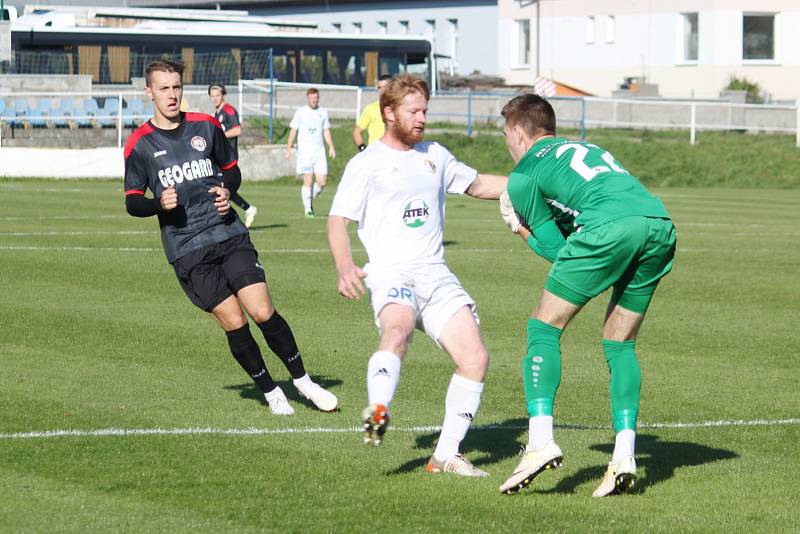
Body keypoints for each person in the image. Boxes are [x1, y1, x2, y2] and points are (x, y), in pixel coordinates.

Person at [124, 60, 337, 416]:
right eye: (164, 88)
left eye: (177, 87)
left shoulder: (206, 126)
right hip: (188, 248)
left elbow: (231, 171)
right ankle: (271, 392)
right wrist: (157, 203)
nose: (172, 95)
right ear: (149, 92)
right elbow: (132, 201)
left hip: (228, 233)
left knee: (262, 310)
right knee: (235, 322)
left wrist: (226, 189)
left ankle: (303, 382)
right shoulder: (139, 144)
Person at [495, 93, 676, 497]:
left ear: (520, 134)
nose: (507, 144)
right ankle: (624, 456)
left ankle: (540, 440)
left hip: (611, 229)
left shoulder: (524, 174)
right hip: (659, 224)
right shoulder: (589, 146)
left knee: (543, 327)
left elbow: (557, 252)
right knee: (619, 342)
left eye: (506, 135)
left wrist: (518, 226)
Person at [327, 74, 508, 477]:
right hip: (392, 271)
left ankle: (444, 456)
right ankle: (378, 409)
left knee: (475, 358)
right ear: (389, 113)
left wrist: (533, 184)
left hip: (436, 273)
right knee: (398, 330)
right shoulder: (366, 164)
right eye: (414, 111)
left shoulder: (435, 155)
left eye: (425, 110)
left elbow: (477, 185)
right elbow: (338, 218)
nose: (422, 117)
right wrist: (344, 266)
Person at [208, 83, 258, 228]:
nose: (215, 98)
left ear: (223, 95)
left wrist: (220, 136)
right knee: (222, 188)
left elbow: (237, 130)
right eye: (212, 96)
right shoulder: (217, 113)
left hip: (228, 158)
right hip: (219, 157)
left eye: (217, 95)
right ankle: (247, 210)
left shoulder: (229, 111)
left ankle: (242, 213)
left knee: (223, 188)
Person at [285, 87, 336, 218]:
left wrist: (331, 146)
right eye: (312, 98)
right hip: (305, 152)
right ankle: (308, 209)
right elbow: (293, 130)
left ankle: (308, 199)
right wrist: (288, 148)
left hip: (319, 152)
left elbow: (326, 131)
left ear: (318, 98)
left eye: (316, 98)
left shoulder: (323, 112)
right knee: (308, 178)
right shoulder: (301, 112)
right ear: (308, 98)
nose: (314, 100)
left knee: (322, 182)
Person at [352, 74, 392, 151]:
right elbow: (356, 133)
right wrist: (364, 151)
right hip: (375, 155)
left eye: (385, 87)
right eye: (379, 88)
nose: (381, 90)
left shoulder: (399, 108)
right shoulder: (370, 108)